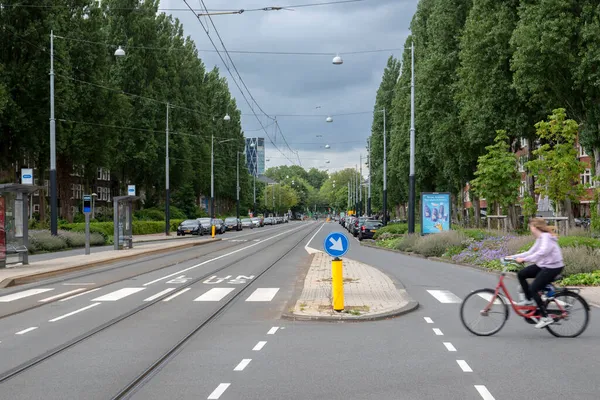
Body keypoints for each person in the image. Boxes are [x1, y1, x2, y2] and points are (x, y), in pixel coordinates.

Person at [508, 218, 564, 329]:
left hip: (553, 267)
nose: (530, 229)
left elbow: (541, 253)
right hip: (544, 265)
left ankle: (545, 317)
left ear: (534, 227)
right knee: (521, 274)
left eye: (530, 226)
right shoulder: (540, 238)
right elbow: (531, 252)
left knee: (534, 288)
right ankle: (528, 300)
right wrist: (512, 257)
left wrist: (524, 260)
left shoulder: (546, 238)